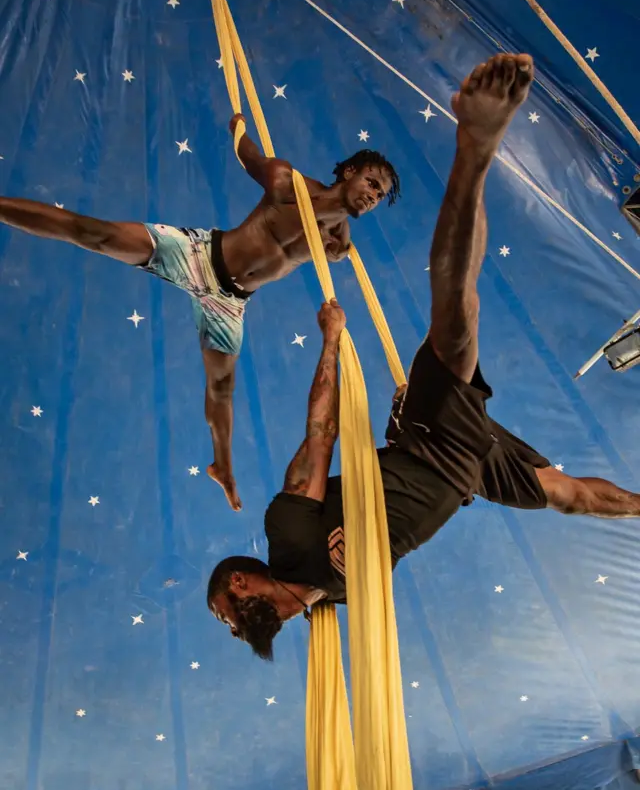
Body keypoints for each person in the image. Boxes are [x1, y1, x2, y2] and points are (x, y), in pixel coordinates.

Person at [207, 53, 640, 660]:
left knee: (457, 322)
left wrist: (331, 339)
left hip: (430, 438)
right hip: (465, 473)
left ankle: (475, 149)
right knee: (570, 497)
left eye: (224, 616)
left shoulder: (287, 535)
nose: (232, 627)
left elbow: (321, 432)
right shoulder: (330, 602)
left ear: (238, 583)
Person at [0, 115, 400, 510]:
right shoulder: (287, 183)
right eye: (371, 182)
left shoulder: (337, 241)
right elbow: (249, 157)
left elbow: (335, 250)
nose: (373, 195)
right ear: (348, 172)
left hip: (230, 302)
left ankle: (222, 467)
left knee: (221, 388)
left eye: (380, 194)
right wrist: (238, 129)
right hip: (200, 255)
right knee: (96, 234)